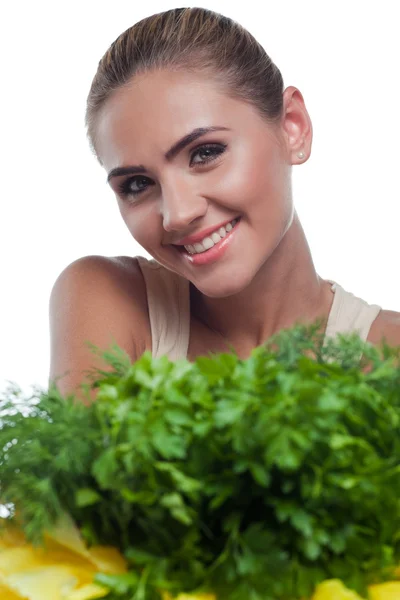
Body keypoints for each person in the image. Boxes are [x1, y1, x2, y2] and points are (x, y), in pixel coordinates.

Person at [49, 7, 400, 402]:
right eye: (137, 184)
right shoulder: (109, 298)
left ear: (293, 128)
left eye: (205, 153)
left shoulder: (392, 353)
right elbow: (76, 462)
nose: (178, 214)